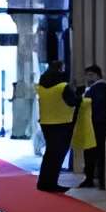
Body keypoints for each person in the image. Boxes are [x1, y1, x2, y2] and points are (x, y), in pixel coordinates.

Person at [34, 63, 77, 193]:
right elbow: (72, 101)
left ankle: (43, 182)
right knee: (57, 155)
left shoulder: (41, 86)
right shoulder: (63, 87)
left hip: (46, 123)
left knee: (49, 154)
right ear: (59, 70)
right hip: (61, 123)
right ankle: (51, 183)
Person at [77, 65, 106, 189]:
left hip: (97, 124)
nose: (88, 78)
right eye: (87, 75)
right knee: (90, 152)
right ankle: (90, 178)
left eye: (91, 75)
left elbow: (96, 104)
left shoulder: (100, 87)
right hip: (92, 123)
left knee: (96, 152)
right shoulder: (93, 88)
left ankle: (98, 179)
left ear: (97, 75)